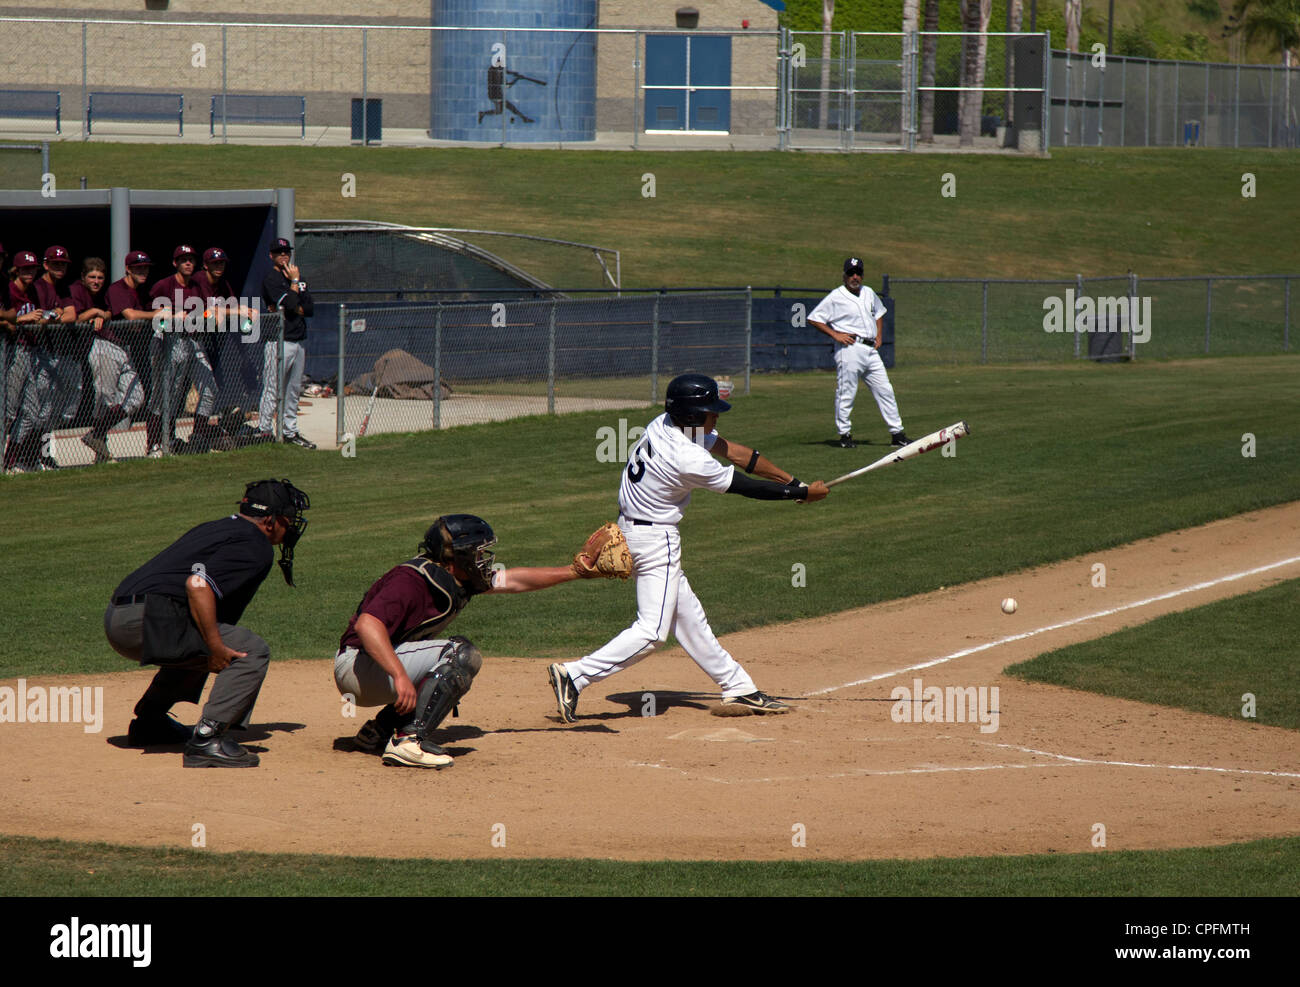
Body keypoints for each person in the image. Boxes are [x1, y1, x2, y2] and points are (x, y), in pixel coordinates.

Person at [546, 373, 830, 724]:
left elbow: (737, 453)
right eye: (712, 411)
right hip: (655, 542)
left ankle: (737, 686)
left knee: (689, 618)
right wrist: (801, 495)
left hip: (631, 530)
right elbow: (745, 486)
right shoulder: (686, 458)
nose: (717, 416)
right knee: (652, 632)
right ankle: (575, 675)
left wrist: (792, 481)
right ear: (694, 416)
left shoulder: (663, 423)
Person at [335, 514, 608, 768]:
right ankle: (408, 741)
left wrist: (574, 571)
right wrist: (399, 675)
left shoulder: (455, 577)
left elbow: (513, 581)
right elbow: (367, 624)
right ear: (460, 557)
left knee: (440, 667)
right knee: (459, 655)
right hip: (358, 667)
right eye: (478, 553)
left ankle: (379, 732)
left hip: (374, 667)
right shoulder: (411, 579)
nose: (483, 560)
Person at [104, 478, 310, 768]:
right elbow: (198, 585)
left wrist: (210, 640)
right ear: (269, 520)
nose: (290, 528)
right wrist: (214, 647)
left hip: (120, 616)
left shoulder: (218, 527)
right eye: (287, 521)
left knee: (202, 632)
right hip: (146, 619)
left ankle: (150, 723)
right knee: (248, 650)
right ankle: (206, 739)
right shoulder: (256, 545)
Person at [808, 257, 911, 450]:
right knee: (847, 393)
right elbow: (814, 318)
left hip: (870, 349)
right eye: (851, 273)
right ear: (844, 275)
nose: (855, 277)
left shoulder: (869, 292)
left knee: (885, 390)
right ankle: (844, 435)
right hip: (850, 349)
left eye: (858, 273)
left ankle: (897, 434)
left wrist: (879, 334)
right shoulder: (836, 296)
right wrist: (835, 334)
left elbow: (879, 313)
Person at [148, 244, 221, 456]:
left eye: (191, 259)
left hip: (191, 341)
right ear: (175, 263)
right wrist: (171, 317)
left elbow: (208, 312)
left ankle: (193, 437)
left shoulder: (197, 286)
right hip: (167, 340)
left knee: (204, 390)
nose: (188, 263)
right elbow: (152, 315)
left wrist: (211, 317)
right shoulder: (164, 285)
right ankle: (155, 443)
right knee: (163, 395)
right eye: (183, 259)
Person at [70, 257, 137, 464]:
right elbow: (73, 317)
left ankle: (96, 435)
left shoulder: (104, 293)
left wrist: (102, 314)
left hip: (116, 348)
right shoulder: (76, 291)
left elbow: (109, 312)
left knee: (136, 397)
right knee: (104, 398)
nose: (96, 281)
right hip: (90, 350)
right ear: (83, 277)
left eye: (100, 277)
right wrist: (94, 312)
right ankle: (101, 448)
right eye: (92, 277)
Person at [3, 251, 61, 473]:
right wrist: (20, 319)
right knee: (7, 413)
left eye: (32, 269)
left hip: (31, 352)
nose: (29, 273)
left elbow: (53, 310)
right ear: (16, 270)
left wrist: (51, 314)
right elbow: (8, 319)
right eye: (25, 269)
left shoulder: (35, 291)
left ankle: (11, 462)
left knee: (31, 413)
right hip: (11, 352)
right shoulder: (9, 290)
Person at [258, 237, 315, 449]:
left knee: (293, 390)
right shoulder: (272, 278)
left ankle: (290, 431)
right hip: (277, 341)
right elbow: (291, 303)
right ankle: (264, 431)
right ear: (271, 255)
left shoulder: (297, 277)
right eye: (279, 252)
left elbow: (308, 308)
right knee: (273, 389)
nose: (284, 255)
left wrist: (295, 298)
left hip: (298, 340)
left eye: (286, 252)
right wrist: (294, 286)